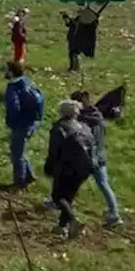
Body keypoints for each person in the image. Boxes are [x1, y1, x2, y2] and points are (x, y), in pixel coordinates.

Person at [44, 99, 95, 239]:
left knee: (57, 197)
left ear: (62, 112)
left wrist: (49, 166)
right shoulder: (85, 127)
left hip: (66, 167)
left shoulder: (60, 127)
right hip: (84, 168)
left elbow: (54, 150)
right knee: (68, 198)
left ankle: (73, 221)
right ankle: (62, 227)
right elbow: (92, 147)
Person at [73, 91, 122, 227]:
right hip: (101, 156)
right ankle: (114, 214)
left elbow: (85, 142)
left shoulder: (83, 120)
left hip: (88, 159)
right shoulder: (98, 115)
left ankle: (58, 204)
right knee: (104, 185)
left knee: (69, 181)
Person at [4, 60, 45, 189]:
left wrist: (12, 121)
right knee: (19, 151)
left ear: (11, 72)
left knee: (16, 155)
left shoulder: (13, 88)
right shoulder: (27, 82)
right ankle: (29, 175)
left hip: (20, 125)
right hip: (33, 122)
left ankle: (19, 182)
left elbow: (13, 107)